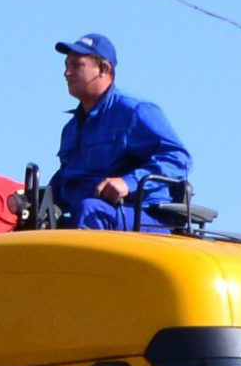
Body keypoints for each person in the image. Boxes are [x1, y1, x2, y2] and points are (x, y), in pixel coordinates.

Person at [52, 33, 192, 230]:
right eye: (66, 65)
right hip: (88, 214)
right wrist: (26, 200)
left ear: (104, 69)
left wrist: (127, 183)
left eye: (76, 65)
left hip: (143, 217)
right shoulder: (72, 128)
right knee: (31, 223)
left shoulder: (135, 112)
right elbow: (65, 181)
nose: (67, 73)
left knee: (91, 210)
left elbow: (178, 159)